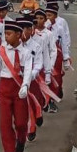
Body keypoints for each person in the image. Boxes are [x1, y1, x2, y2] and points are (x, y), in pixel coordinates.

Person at [0, 21, 32, 152]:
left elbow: (27, 71)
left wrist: (25, 85)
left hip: (19, 87)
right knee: (5, 122)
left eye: (9, 34)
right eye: (5, 34)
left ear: (18, 35)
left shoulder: (26, 52)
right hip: (5, 87)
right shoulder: (1, 51)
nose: (6, 37)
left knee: (20, 122)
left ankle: (21, 139)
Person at [17, 15, 44, 143]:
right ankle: (24, 130)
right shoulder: (12, 46)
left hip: (31, 80)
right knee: (20, 108)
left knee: (32, 104)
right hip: (16, 81)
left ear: (31, 29)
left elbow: (39, 63)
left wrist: (31, 74)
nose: (24, 32)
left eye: (27, 29)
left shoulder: (35, 46)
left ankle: (32, 127)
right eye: (21, 29)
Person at [45, 5, 71, 113]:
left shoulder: (59, 28)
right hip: (45, 55)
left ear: (55, 16)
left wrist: (66, 58)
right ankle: (45, 98)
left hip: (57, 55)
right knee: (45, 77)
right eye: (46, 15)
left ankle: (52, 100)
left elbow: (64, 43)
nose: (47, 18)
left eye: (50, 15)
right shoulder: (43, 28)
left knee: (56, 77)